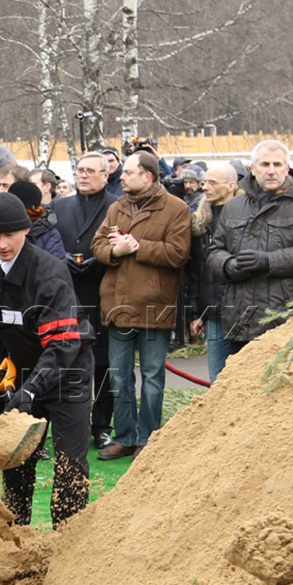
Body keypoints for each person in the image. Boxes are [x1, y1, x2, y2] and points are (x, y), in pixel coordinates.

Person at [0, 192, 94, 529]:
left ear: (26, 230)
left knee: (69, 463)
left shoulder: (49, 273)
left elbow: (61, 343)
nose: (2, 244)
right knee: (17, 462)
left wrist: (30, 392)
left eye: (9, 234)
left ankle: (68, 539)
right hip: (23, 372)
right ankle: (17, 536)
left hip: (68, 372)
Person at [91, 151, 190, 460]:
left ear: (147, 176)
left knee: (152, 377)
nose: (120, 176)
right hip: (117, 306)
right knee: (118, 377)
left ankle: (147, 439)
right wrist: (115, 250)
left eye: (128, 172)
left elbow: (178, 254)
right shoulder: (116, 207)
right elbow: (97, 246)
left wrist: (137, 246)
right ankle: (124, 437)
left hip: (154, 307)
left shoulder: (177, 209)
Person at [205, 139, 293, 359]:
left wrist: (269, 261)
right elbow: (214, 251)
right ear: (253, 168)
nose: (271, 171)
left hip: (285, 315)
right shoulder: (233, 207)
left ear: (287, 168)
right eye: (265, 164)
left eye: (277, 165)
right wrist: (229, 265)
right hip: (240, 316)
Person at [54, 155, 117, 445]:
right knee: (65, 359)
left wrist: (99, 260)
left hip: (105, 290)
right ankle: (67, 422)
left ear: (106, 175)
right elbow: (48, 241)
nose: (84, 176)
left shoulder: (116, 206)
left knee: (103, 361)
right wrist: (62, 258)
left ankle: (102, 425)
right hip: (67, 293)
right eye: (80, 170)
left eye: (91, 171)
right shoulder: (60, 205)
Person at [186, 162, 240, 380]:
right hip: (213, 313)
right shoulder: (199, 222)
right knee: (217, 380)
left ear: (231, 186)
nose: (205, 187)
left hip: (243, 310)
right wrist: (195, 313)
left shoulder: (245, 218)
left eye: (211, 182)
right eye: (204, 182)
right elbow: (195, 272)